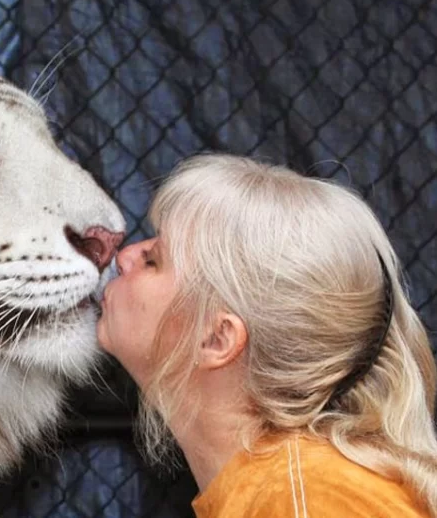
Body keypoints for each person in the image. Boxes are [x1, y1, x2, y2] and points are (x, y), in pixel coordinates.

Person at [96, 154, 437, 517]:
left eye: (154, 260)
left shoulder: (309, 499)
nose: (125, 257)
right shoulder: (290, 486)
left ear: (217, 339)